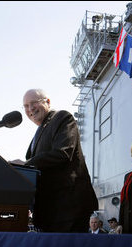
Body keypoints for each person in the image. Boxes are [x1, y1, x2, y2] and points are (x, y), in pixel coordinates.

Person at [22, 89, 98, 232]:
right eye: (26, 106)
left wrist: (27, 164)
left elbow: (63, 152)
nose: (30, 108)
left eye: (34, 103)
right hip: (48, 211)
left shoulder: (62, 118)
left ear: (48, 102)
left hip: (67, 209)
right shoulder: (38, 133)